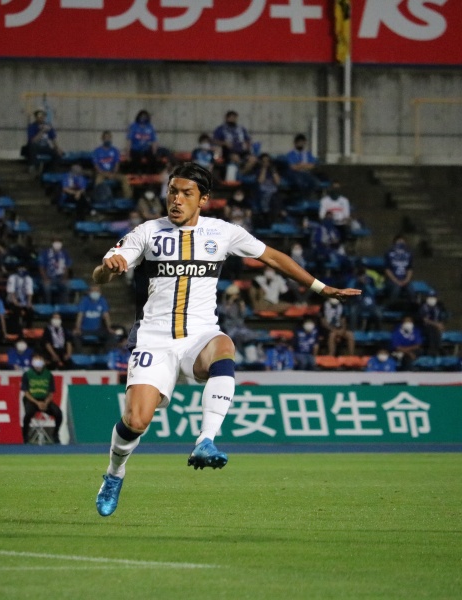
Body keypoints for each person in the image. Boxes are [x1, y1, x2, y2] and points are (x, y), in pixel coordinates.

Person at [91, 162, 360, 516]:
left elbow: (273, 257)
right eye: (172, 191)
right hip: (154, 339)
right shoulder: (147, 232)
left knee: (224, 345)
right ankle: (114, 473)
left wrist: (321, 289)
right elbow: (102, 272)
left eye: (186, 193)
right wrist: (108, 269)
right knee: (136, 421)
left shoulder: (222, 232)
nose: (176, 199)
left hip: (200, 335)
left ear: (203, 199)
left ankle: (206, 440)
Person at [21, 353, 61, 444]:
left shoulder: (48, 374)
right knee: (28, 414)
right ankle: (25, 436)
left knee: (58, 413)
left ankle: (55, 434)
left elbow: (51, 393)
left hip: (45, 400)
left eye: (40, 360)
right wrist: (37, 403)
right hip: (32, 400)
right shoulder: (27, 374)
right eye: (36, 360)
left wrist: (46, 402)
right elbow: (26, 393)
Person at [92, 131, 132, 199]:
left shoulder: (115, 150)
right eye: (106, 137)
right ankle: (97, 199)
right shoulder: (97, 151)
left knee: (124, 178)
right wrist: (105, 173)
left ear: (111, 139)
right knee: (98, 180)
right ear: (102, 139)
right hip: (102, 173)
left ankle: (127, 199)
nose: (107, 139)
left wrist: (113, 173)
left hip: (113, 173)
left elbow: (117, 164)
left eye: (109, 137)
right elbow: (96, 165)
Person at [73, 285, 112, 352]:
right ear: (89, 292)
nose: (95, 292)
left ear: (100, 292)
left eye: (97, 291)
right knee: (75, 336)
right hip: (84, 330)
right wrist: (77, 328)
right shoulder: (84, 300)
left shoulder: (102, 300)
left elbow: (106, 315)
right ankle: (80, 355)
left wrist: (109, 328)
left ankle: (107, 354)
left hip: (97, 330)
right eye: (93, 290)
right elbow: (80, 315)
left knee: (112, 336)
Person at [37, 237, 72, 305]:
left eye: (59, 242)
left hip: (60, 277)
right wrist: (45, 279)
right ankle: (47, 304)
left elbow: (66, 267)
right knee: (47, 287)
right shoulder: (45, 252)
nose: (57, 244)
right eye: (56, 242)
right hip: (48, 276)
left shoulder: (64, 253)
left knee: (67, 285)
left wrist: (65, 278)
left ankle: (63, 305)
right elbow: (41, 267)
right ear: (52, 243)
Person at [25, 108, 60, 173]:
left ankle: (49, 170)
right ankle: (33, 166)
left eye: (43, 116)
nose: (42, 118)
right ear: (36, 117)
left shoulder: (48, 126)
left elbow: (53, 139)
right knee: (32, 146)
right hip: (36, 147)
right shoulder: (32, 126)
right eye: (39, 116)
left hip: (45, 147)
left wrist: (57, 148)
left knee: (57, 154)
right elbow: (33, 141)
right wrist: (42, 131)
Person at [384, 234, 414, 306]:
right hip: (392, 281)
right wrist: (396, 281)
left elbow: (409, 269)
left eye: (402, 242)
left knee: (411, 289)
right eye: (399, 242)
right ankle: (391, 306)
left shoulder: (409, 254)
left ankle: (412, 307)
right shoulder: (389, 253)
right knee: (396, 288)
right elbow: (387, 270)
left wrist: (406, 280)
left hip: (404, 280)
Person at [126, 109, 158, 174]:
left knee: (153, 160)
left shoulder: (150, 127)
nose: (143, 118)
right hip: (135, 149)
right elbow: (129, 140)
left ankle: (151, 174)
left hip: (146, 149)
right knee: (135, 161)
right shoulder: (133, 126)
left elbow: (154, 141)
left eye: (145, 116)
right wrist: (128, 153)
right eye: (142, 116)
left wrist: (154, 152)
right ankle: (136, 174)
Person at [6, 265, 34, 334]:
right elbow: (11, 292)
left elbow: (29, 292)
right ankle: (16, 330)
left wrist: (29, 303)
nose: (22, 269)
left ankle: (28, 329)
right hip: (12, 301)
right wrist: (16, 303)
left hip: (24, 301)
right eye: (20, 268)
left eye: (23, 268)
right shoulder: (12, 277)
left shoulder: (28, 278)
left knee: (30, 311)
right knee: (16, 311)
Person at [419, 291, 445, 357]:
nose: (432, 299)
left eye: (433, 297)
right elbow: (425, 320)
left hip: (436, 327)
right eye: (430, 297)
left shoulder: (438, 308)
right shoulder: (423, 307)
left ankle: (438, 348)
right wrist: (436, 325)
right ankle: (432, 350)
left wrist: (441, 325)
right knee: (432, 330)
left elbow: (440, 318)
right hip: (426, 327)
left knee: (436, 331)